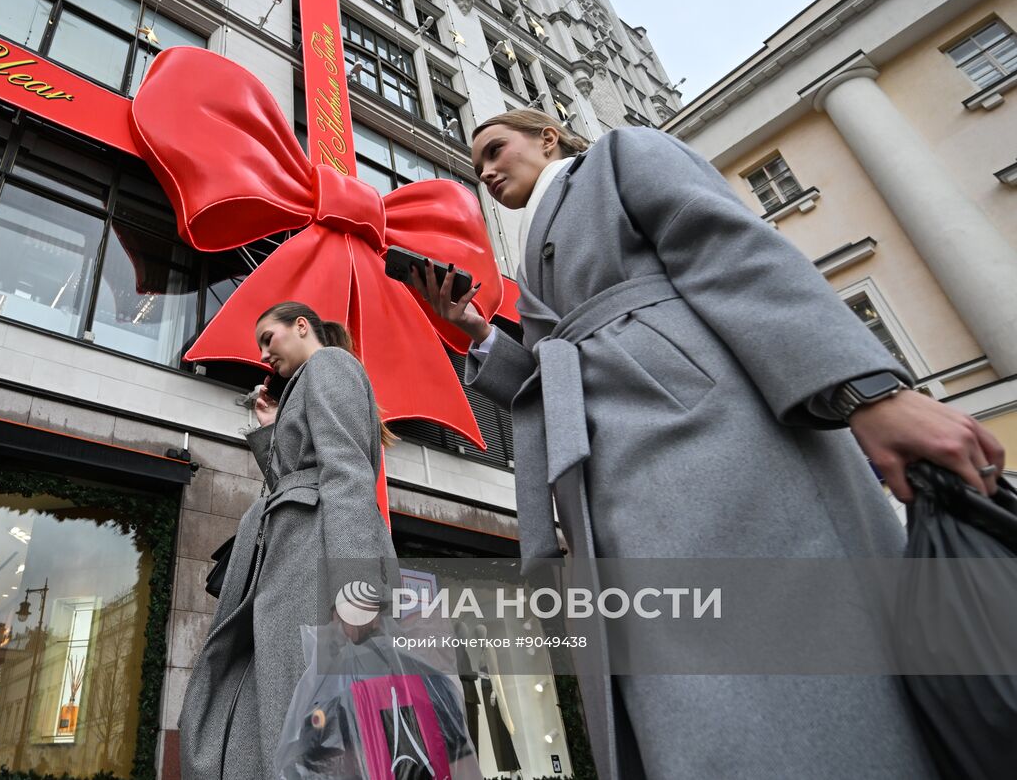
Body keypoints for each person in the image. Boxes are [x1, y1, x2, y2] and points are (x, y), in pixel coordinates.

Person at [411, 109, 1006, 780]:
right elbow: (564, 371)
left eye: (495, 148)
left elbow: (734, 251)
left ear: (548, 136)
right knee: (693, 697)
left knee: (780, 682)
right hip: (623, 481)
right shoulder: (535, 253)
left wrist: (869, 393)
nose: (486, 171)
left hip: (716, 448)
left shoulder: (620, 157)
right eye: (477, 164)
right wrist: (475, 329)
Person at [179, 301, 400, 780]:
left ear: (302, 326)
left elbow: (345, 475)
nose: (263, 353)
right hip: (293, 554)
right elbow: (294, 481)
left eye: (268, 337)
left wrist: (356, 585)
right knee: (282, 697)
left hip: (314, 556)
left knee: (302, 703)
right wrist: (270, 430)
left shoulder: (329, 364)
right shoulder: (308, 382)